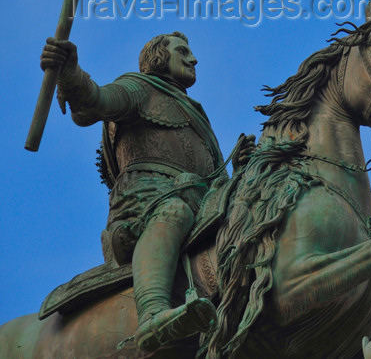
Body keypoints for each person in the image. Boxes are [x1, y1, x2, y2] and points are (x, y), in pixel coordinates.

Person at [40, 32, 253, 352]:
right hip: (145, 203)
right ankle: (152, 315)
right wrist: (69, 71)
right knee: (175, 211)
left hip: (195, 203)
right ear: (158, 57)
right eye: (183, 51)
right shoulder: (139, 88)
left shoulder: (197, 116)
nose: (193, 59)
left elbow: (215, 185)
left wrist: (238, 171)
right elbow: (95, 101)